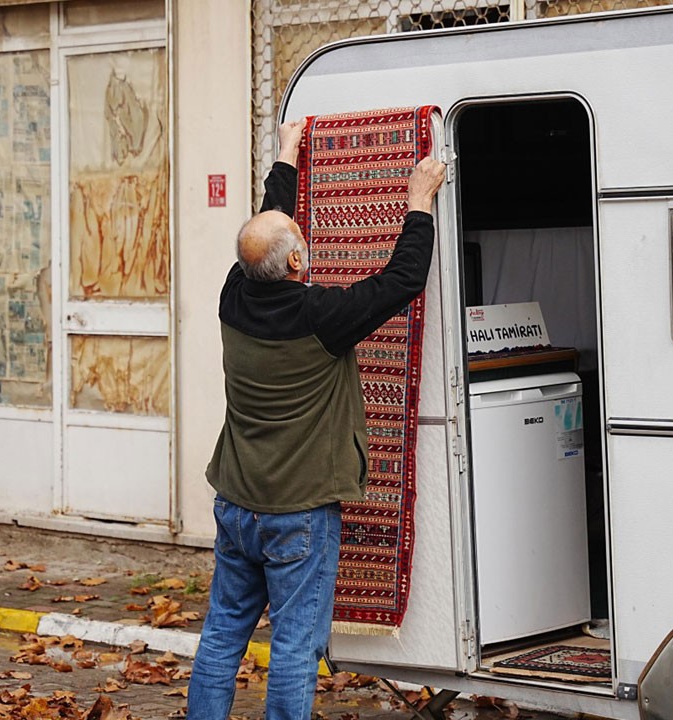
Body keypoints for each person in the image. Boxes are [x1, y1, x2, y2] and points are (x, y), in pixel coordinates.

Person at [186, 119, 446, 720]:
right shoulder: (320, 316)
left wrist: (285, 154)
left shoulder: (233, 293)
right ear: (298, 258)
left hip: (237, 502)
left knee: (224, 633)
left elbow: (265, 230)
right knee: (296, 648)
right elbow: (402, 279)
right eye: (299, 238)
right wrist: (419, 203)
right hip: (297, 514)